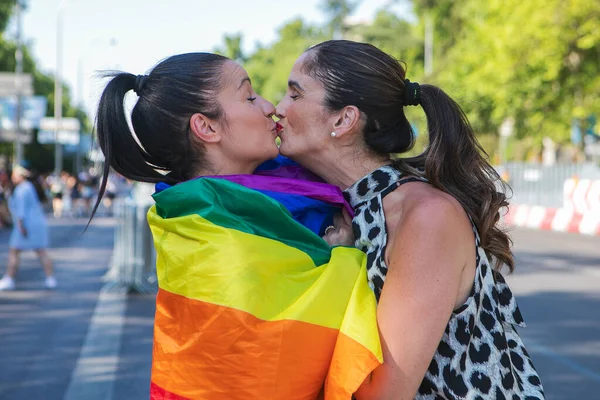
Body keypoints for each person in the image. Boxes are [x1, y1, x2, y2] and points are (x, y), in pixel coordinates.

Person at [92, 52, 382, 400]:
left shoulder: (281, 192)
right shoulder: (214, 234)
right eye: (248, 97)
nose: (269, 107)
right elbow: (278, 352)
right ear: (207, 127)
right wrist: (342, 259)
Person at [276, 40, 545, 399]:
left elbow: (381, 394)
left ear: (343, 120)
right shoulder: (345, 206)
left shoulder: (426, 216)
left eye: (294, 95)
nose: (277, 108)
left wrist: (338, 266)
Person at [0, 165, 56, 291]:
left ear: (21, 175)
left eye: (15, 174)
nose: (12, 177)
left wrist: (21, 227)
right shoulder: (29, 187)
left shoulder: (22, 189)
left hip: (26, 224)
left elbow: (21, 211)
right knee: (41, 252)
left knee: (14, 251)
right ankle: (50, 278)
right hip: (36, 223)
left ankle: (9, 278)